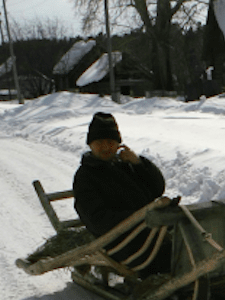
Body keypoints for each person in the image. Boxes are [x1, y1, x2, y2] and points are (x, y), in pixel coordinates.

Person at [73, 112, 174, 275]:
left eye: (110, 142)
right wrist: (139, 218)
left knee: (191, 239)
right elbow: (97, 220)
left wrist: (138, 163)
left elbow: (157, 189)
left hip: (148, 231)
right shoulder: (85, 176)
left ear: (118, 144)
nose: (106, 147)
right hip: (119, 242)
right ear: (90, 145)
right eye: (99, 142)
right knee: (170, 254)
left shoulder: (125, 166)